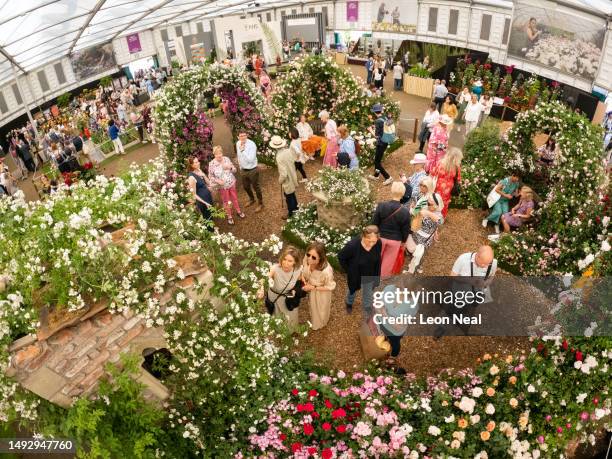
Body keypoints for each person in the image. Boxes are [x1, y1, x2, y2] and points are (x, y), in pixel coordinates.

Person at [337, 225, 382, 314]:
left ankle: (367, 306)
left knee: (368, 291)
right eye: (369, 240)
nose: (372, 244)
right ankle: (349, 303)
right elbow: (341, 257)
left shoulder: (378, 243)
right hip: (356, 274)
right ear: (363, 236)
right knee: (352, 290)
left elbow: (378, 258)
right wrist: (349, 270)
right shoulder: (352, 246)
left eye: (374, 241)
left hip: (369, 273)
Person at [372, 182, 411, 277]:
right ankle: (380, 283)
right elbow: (405, 230)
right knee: (387, 264)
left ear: (391, 191)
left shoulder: (381, 205)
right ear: (403, 194)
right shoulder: (405, 212)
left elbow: (374, 223)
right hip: (395, 240)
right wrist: (403, 241)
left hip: (380, 237)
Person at [406, 192, 444, 273]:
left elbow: (440, 222)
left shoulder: (438, 214)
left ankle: (413, 271)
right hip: (416, 234)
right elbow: (414, 198)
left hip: (424, 240)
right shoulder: (426, 207)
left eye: (430, 204)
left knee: (419, 255)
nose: (428, 204)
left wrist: (428, 213)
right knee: (414, 251)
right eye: (427, 202)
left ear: (437, 205)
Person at [302, 242, 336, 330]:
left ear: (320, 258)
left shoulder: (326, 271)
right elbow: (304, 269)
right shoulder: (307, 259)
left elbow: (330, 287)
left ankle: (320, 324)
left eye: (313, 257)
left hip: (321, 293)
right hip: (312, 289)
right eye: (308, 254)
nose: (309, 258)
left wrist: (313, 287)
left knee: (321, 309)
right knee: (313, 307)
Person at [266, 245, 303, 327]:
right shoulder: (275, 268)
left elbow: (300, 282)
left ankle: (292, 330)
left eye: (290, 261)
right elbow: (265, 278)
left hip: (289, 299)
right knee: (277, 318)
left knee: (291, 316)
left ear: (295, 262)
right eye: (284, 259)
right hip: (275, 297)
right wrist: (260, 288)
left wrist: (295, 290)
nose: (285, 263)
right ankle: (279, 333)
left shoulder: (299, 269)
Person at [208, 145, 244, 225]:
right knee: (226, 201)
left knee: (234, 198)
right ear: (214, 154)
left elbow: (234, 170)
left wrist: (230, 168)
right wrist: (217, 180)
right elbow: (210, 176)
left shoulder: (226, 159)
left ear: (222, 153)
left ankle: (238, 211)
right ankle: (229, 216)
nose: (219, 155)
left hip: (231, 183)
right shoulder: (212, 164)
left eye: (220, 153)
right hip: (222, 187)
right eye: (217, 154)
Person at [271, 135, 299, 219]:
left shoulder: (279, 157)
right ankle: (296, 209)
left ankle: (291, 214)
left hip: (287, 179)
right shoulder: (288, 151)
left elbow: (283, 173)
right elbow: (294, 160)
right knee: (292, 194)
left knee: (288, 196)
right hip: (292, 175)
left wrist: (280, 180)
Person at [236, 131, 263, 212]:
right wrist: (240, 167)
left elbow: (251, 159)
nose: (243, 137)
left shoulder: (252, 144)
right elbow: (239, 156)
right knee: (246, 187)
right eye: (241, 136)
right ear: (238, 137)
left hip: (252, 169)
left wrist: (242, 151)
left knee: (256, 187)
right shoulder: (238, 143)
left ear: (246, 136)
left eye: (244, 135)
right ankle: (252, 199)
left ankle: (261, 203)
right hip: (243, 170)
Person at [433, 146, 462, 218]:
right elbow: (458, 179)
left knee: (435, 200)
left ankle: (433, 215)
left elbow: (433, 172)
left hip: (438, 186)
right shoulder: (456, 167)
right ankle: (441, 217)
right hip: (448, 189)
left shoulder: (440, 163)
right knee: (444, 203)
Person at [368, 103, 393, 185]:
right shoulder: (385, 117)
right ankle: (376, 175)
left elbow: (377, 136)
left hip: (381, 143)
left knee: (377, 162)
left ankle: (388, 177)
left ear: (375, 112)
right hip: (385, 141)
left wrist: (370, 130)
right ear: (381, 111)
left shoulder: (378, 121)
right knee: (377, 159)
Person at [186, 156, 214, 226]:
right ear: (192, 165)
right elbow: (194, 194)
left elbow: (209, 183)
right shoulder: (191, 177)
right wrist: (205, 203)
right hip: (203, 201)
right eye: (196, 162)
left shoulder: (198, 170)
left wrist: (203, 175)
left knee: (211, 215)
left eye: (198, 161)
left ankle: (213, 230)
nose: (198, 163)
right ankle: (210, 233)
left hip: (208, 197)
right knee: (207, 218)